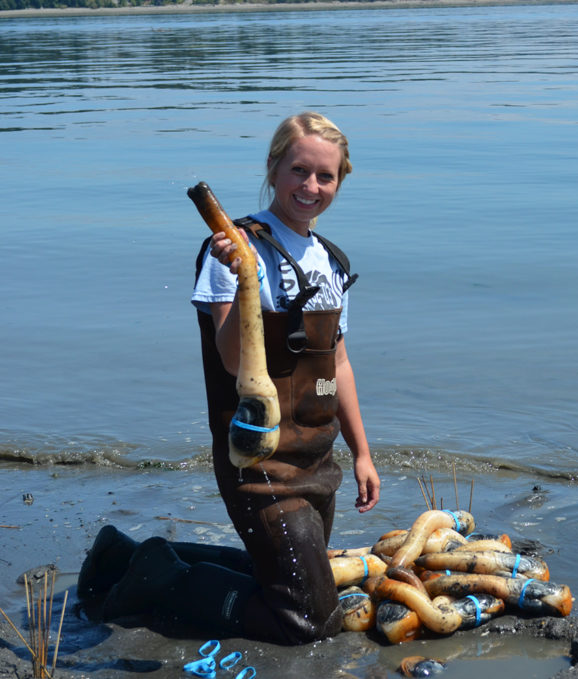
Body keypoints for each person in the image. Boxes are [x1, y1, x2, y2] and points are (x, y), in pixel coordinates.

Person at [78, 111, 381, 644]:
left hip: (316, 456)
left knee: (293, 585)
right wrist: (245, 281)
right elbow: (232, 362)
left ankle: (128, 555)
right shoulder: (234, 247)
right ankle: (158, 580)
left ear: (341, 180)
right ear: (273, 168)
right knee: (307, 620)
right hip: (258, 459)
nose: (311, 187)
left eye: (325, 176)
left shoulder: (331, 261)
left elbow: (337, 365)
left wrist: (361, 452)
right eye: (298, 170)